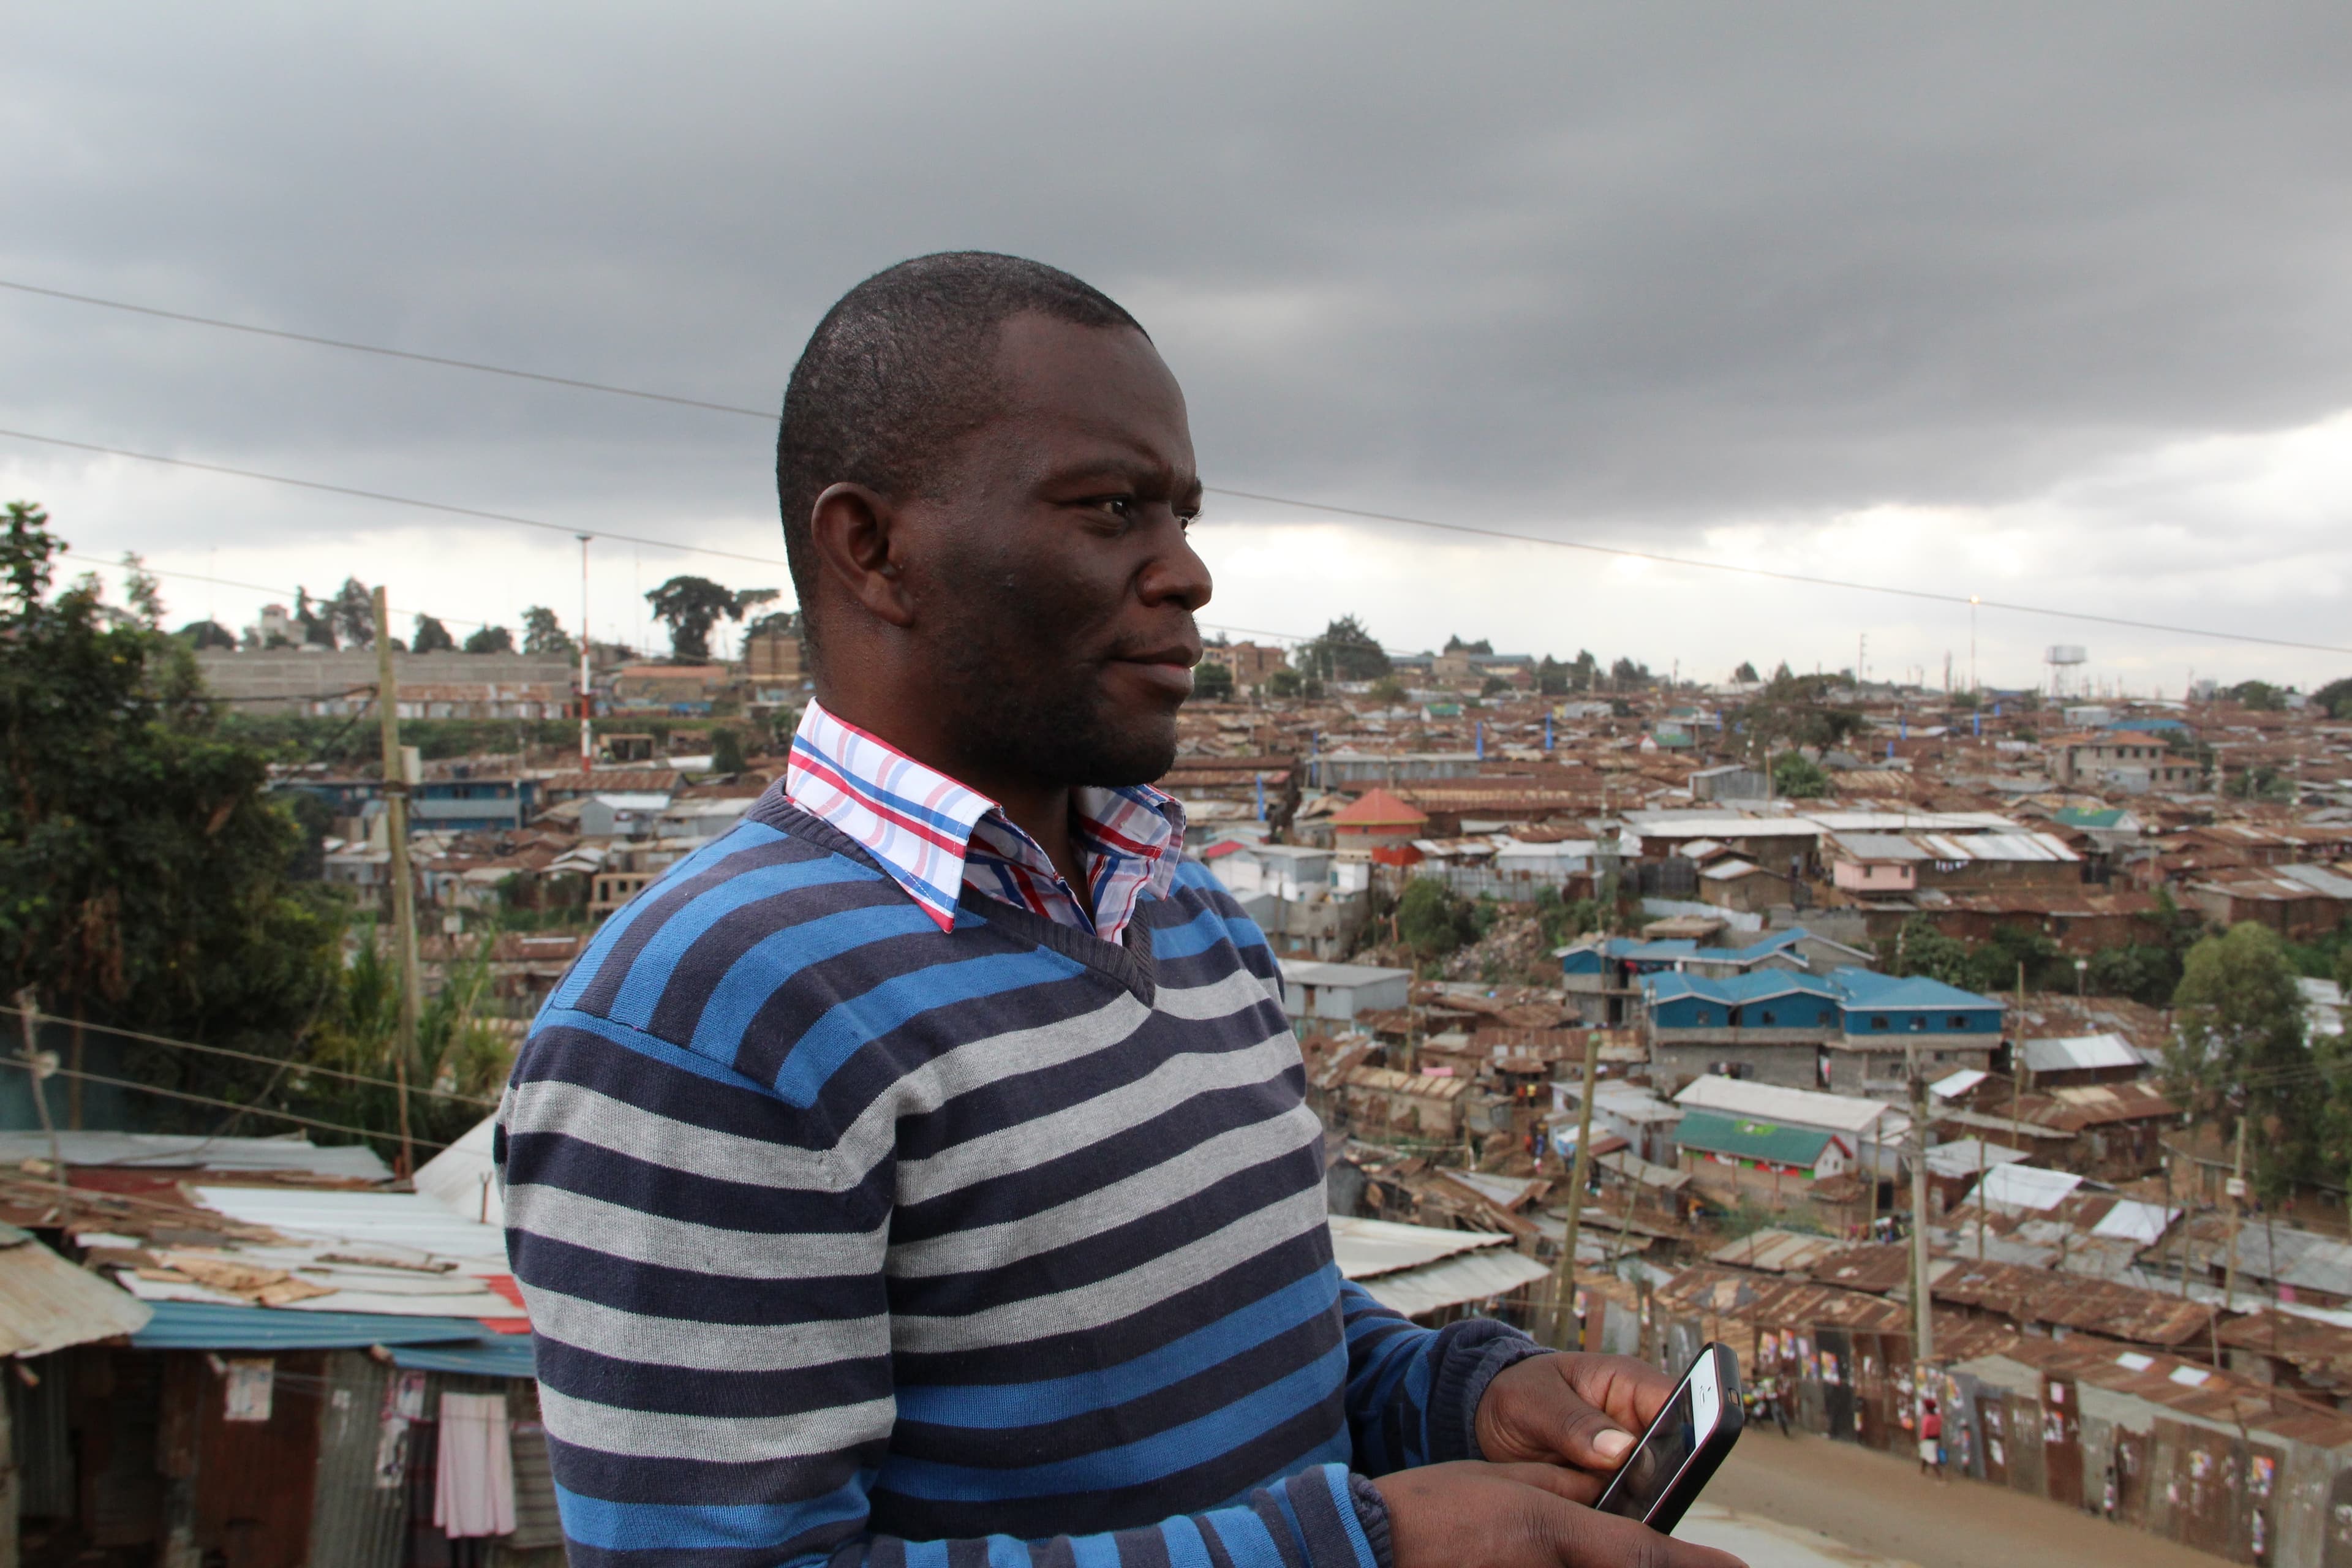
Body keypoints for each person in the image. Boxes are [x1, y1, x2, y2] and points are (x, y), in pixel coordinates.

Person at [497, 253, 1745, 1568]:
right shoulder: (708, 1016)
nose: (1190, 573)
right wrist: (1370, 1550)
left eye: (1186, 515)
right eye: (1112, 509)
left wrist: (1457, 1395)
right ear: (874, 548)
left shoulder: (1186, 910)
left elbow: (1264, 1331)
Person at [1918, 1399, 1944, 1480]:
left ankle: (1940, 1476)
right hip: (1936, 1438)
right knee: (1925, 1455)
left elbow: (1925, 1430)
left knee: (1931, 1458)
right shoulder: (1938, 1417)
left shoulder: (1927, 1418)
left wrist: (1922, 1438)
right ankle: (1922, 1471)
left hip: (1927, 1439)